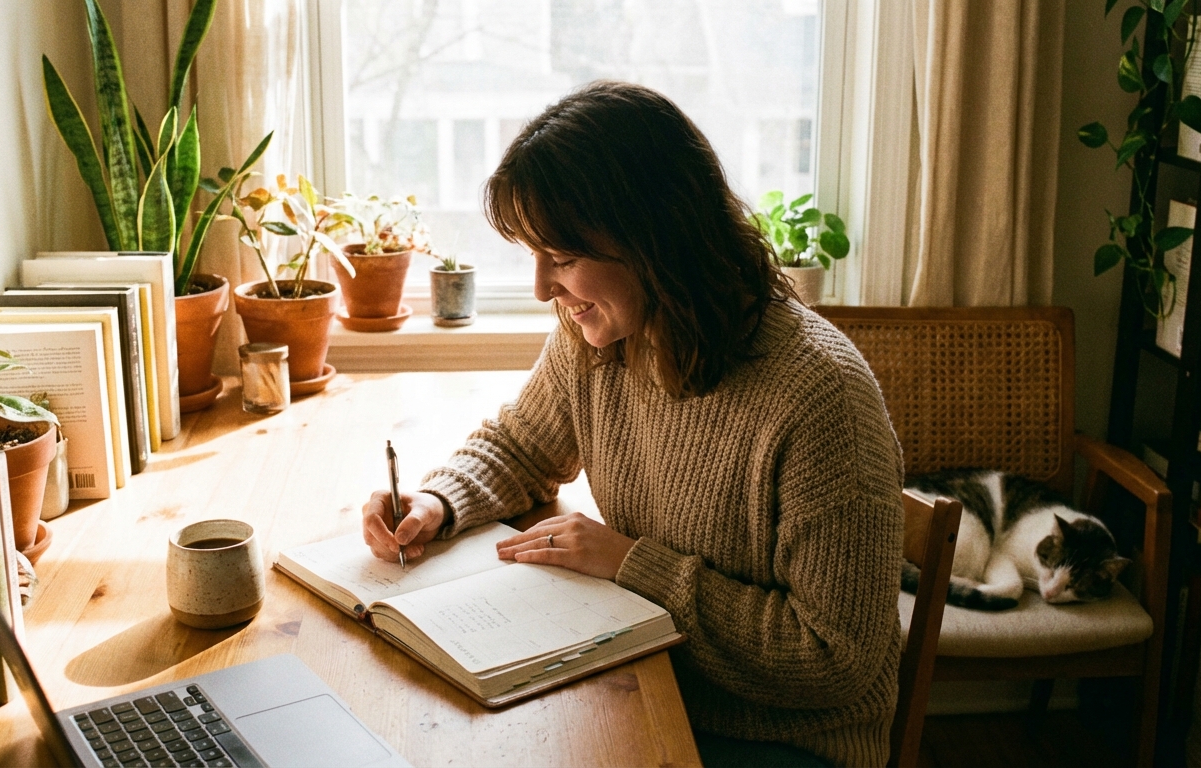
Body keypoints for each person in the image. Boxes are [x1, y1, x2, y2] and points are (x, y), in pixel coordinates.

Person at [360, 80, 904, 768]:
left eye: (561, 259)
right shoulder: (600, 337)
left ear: (654, 241)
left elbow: (835, 658)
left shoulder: (820, 399)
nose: (540, 289)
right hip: (645, 676)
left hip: (783, 741)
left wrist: (632, 565)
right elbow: (522, 447)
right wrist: (438, 501)